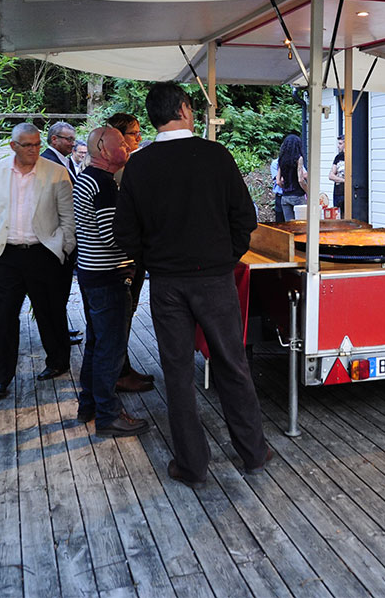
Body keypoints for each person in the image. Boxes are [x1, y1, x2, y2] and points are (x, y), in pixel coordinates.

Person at [113, 82, 271, 486]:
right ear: (184, 109)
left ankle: (192, 465)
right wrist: (225, 257)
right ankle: (253, 452)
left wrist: (152, 261)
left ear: (153, 118)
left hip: (167, 283)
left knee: (178, 373)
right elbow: (245, 221)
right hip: (216, 280)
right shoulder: (216, 156)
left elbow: (125, 234)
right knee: (232, 365)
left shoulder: (139, 165)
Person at [0, 123, 75, 398]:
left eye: (37, 144)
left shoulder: (56, 172)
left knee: (50, 312)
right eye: (27, 145)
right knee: (2, 317)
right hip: (5, 255)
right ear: (13, 146)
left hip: (44, 252)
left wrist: (64, 247)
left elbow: (69, 217)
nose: (34, 149)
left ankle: (57, 362)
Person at [74, 126, 150, 437]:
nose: (130, 146)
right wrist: (146, 243)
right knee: (111, 348)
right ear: (104, 149)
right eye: (122, 142)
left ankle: (89, 403)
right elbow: (112, 237)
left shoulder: (86, 178)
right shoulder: (104, 184)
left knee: (96, 344)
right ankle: (108, 414)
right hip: (109, 277)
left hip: (92, 275)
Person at [105, 112, 154, 393]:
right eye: (134, 133)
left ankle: (122, 368)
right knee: (120, 314)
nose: (139, 137)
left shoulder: (129, 164)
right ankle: (118, 373)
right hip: (122, 254)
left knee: (127, 311)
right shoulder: (117, 167)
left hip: (134, 251)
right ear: (117, 135)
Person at [42, 121, 82, 344]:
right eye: (68, 139)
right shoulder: (48, 162)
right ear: (54, 139)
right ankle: (57, 335)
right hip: (56, 237)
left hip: (64, 236)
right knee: (55, 290)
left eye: (73, 139)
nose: (72, 143)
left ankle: (61, 329)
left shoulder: (63, 161)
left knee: (61, 289)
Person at [276, 134, 308, 220]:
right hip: (298, 196)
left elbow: (278, 181)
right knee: (302, 225)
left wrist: (285, 188)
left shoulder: (281, 159)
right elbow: (300, 180)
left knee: (290, 226)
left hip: (285, 197)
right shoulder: (299, 158)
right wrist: (308, 191)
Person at [328, 135, 345, 214]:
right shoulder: (338, 157)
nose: (338, 146)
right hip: (338, 192)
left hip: (348, 192)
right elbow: (331, 175)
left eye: (340, 144)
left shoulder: (353, 157)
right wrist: (344, 180)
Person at [270, 156, 284, 223]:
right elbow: (278, 181)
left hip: (291, 195)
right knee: (280, 222)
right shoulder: (275, 163)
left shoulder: (296, 161)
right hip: (280, 195)